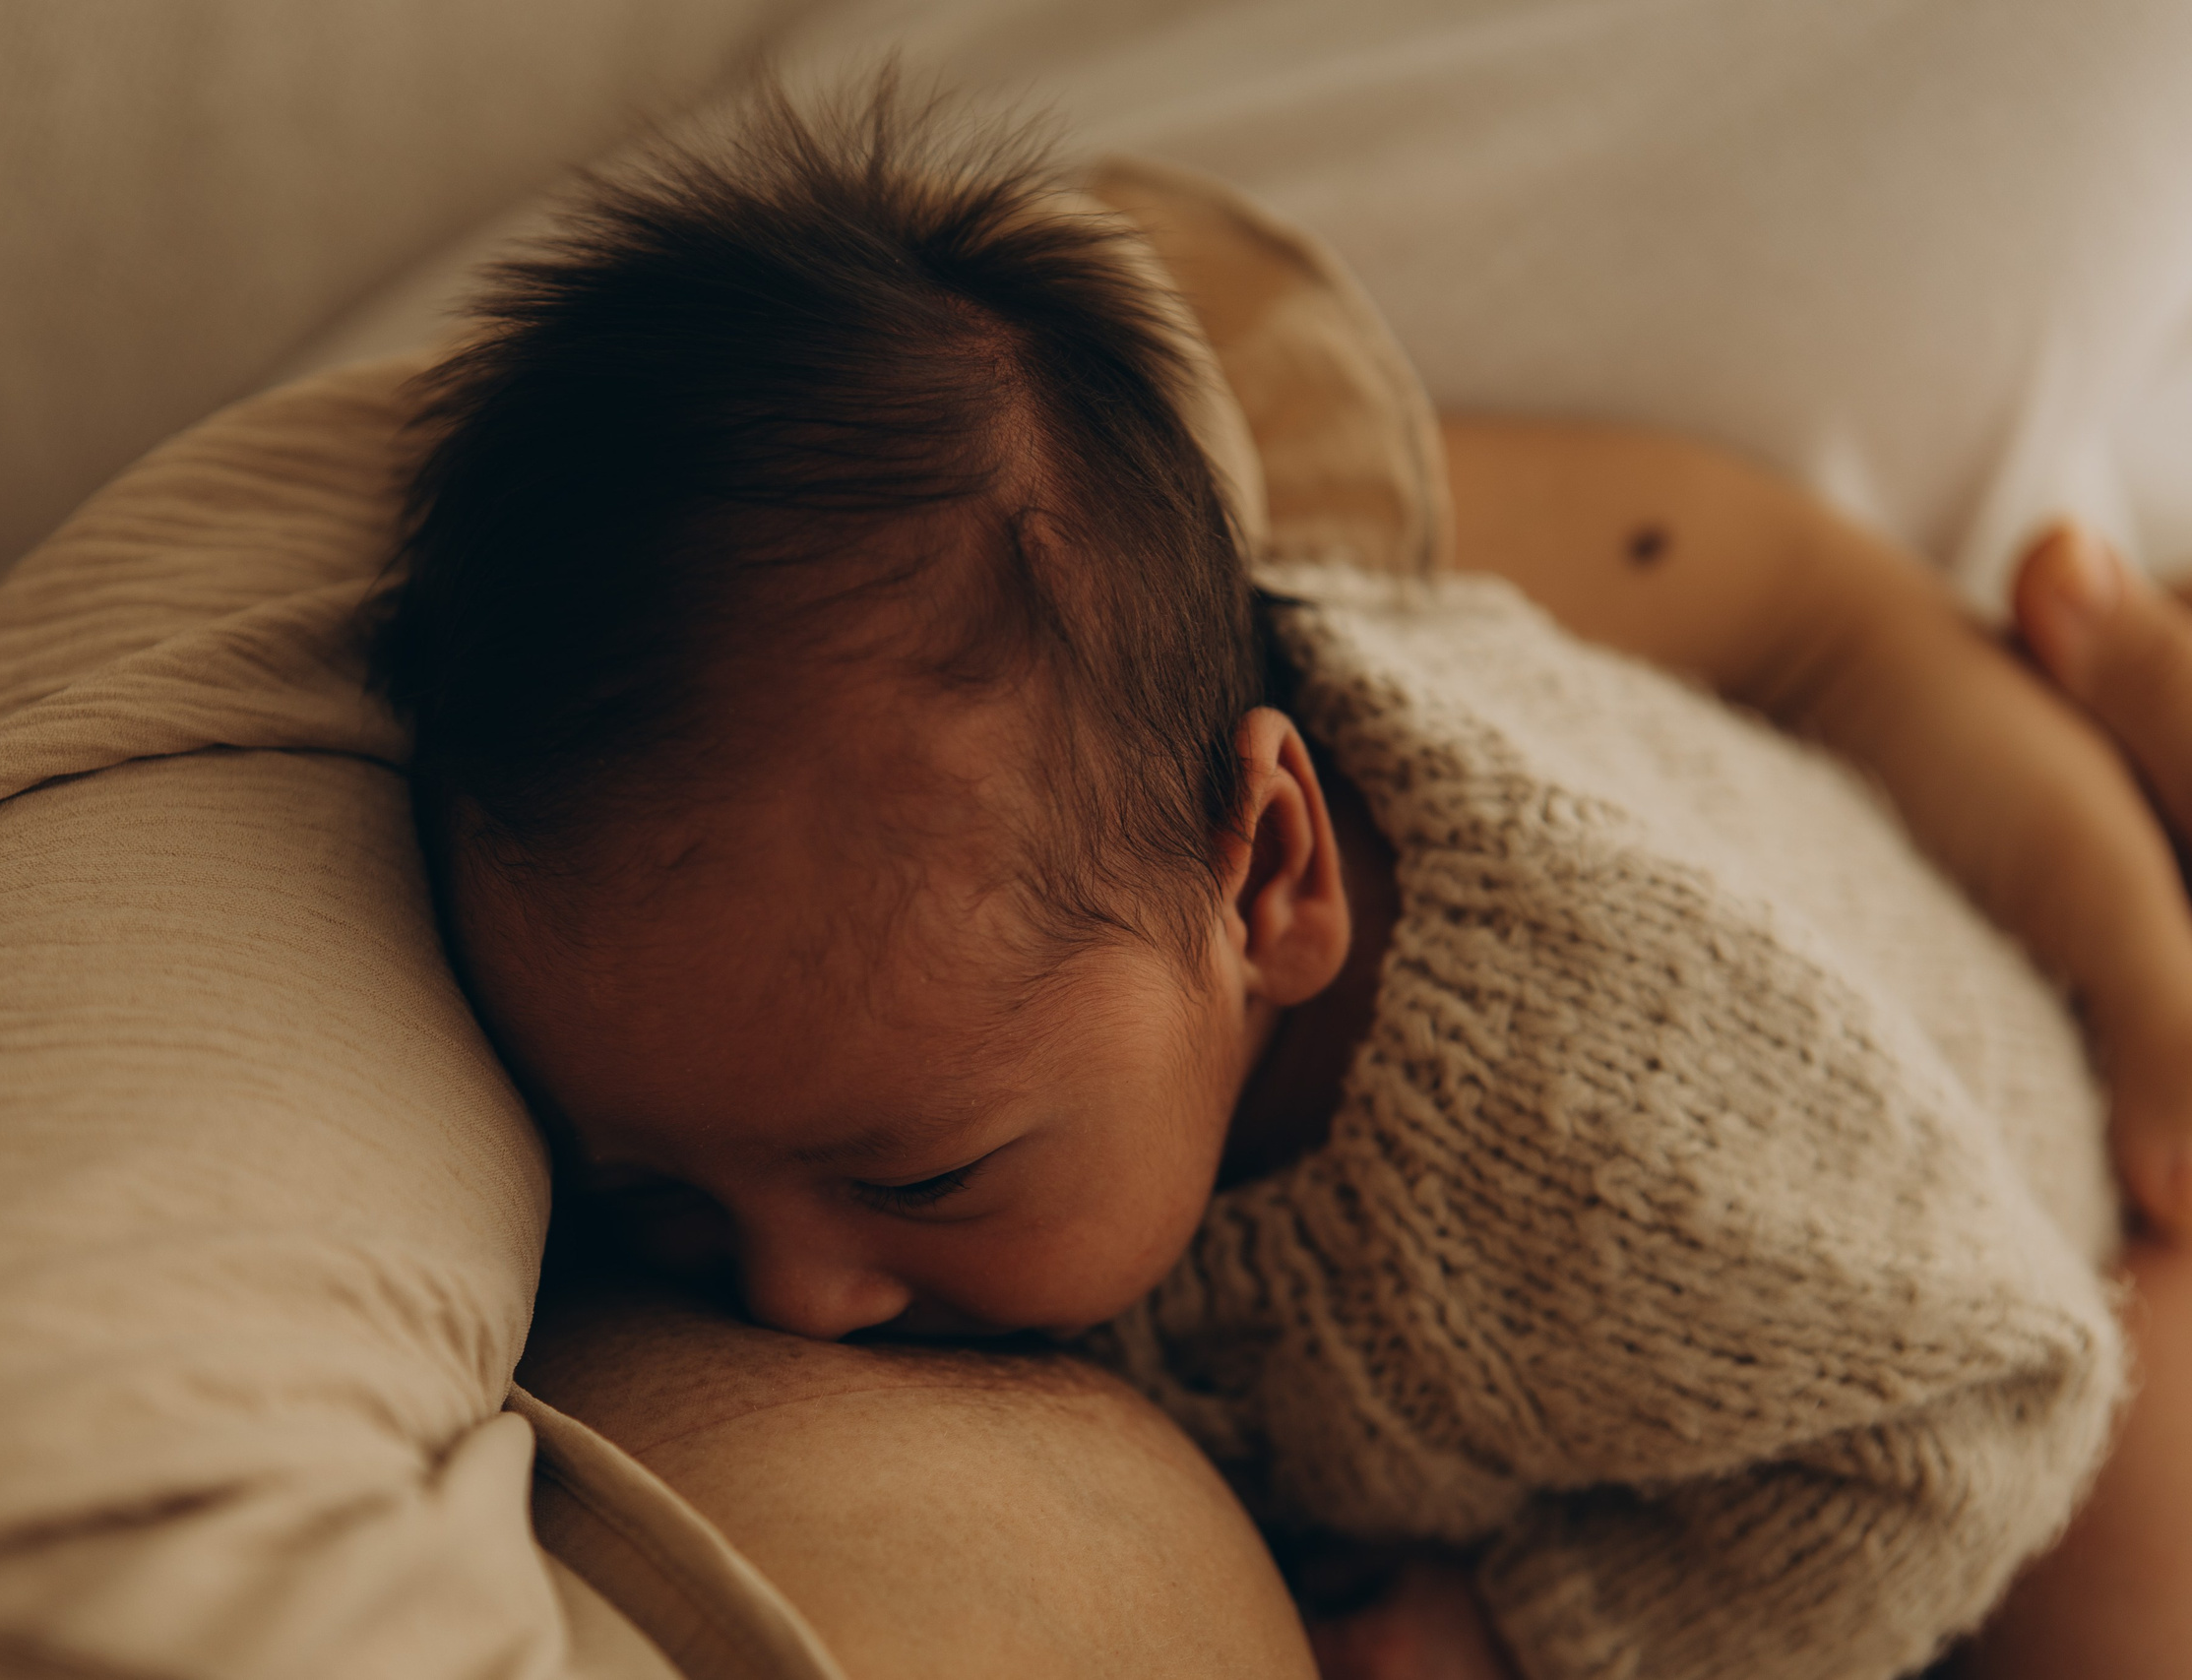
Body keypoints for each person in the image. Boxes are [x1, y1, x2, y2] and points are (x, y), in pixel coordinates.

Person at [373, 80, 2192, 1680]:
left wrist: (1539, 1636)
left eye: (916, 1172)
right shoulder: (1019, 886)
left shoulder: (1615, 1137)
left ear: (1270, 887)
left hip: (2036, 1272)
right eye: (659, 1195)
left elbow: (1987, 1407)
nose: (788, 1299)